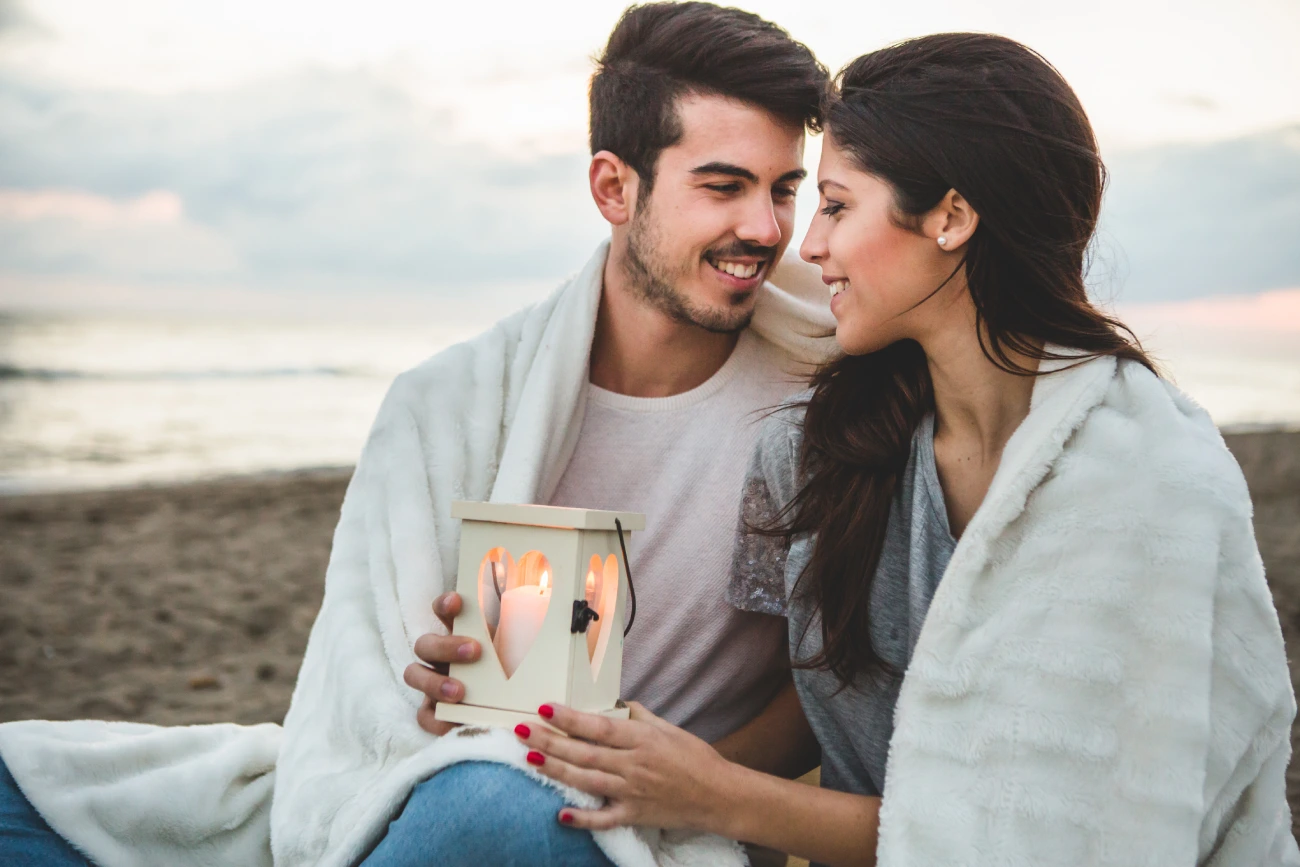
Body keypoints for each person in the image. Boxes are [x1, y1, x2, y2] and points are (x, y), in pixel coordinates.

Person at [0, 4, 830, 866]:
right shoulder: (450, 404)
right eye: (724, 187)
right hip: (459, 782)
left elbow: (839, 690)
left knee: (495, 806)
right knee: (20, 777)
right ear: (613, 189)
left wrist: (682, 781)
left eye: (784, 189)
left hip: (639, 825)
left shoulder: (824, 403)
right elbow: (358, 704)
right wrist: (423, 693)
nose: (767, 230)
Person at [511, 33, 1300, 867]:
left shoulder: (1147, 478)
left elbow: (1047, 840)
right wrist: (627, 764)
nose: (806, 245)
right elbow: (810, 698)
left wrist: (712, 792)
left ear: (950, 217)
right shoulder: (815, 454)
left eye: (835, 205)